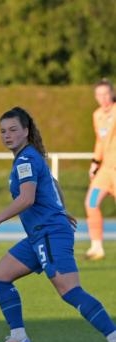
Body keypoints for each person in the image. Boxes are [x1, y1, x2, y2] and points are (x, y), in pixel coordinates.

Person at [0, 106, 116, 342]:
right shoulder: (29, 156)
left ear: (26, 131)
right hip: (40, 234)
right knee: (0, 276)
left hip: (49, 233)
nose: (7, 135)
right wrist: (61, 210)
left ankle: (114, 336)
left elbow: (27, 198)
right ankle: (18, 336)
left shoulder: (26, 159)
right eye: (2, 131)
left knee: (69, 290)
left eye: (13, 130)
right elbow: (53, 183)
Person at [84, 78, 116, 260]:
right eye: (99, 94)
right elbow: (100, 141)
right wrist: (95, 163)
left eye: (106, 94)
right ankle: (97, 247)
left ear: (112, 93)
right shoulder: (97, 115)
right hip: (105, 172)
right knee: (91, 202)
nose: (103, 98)